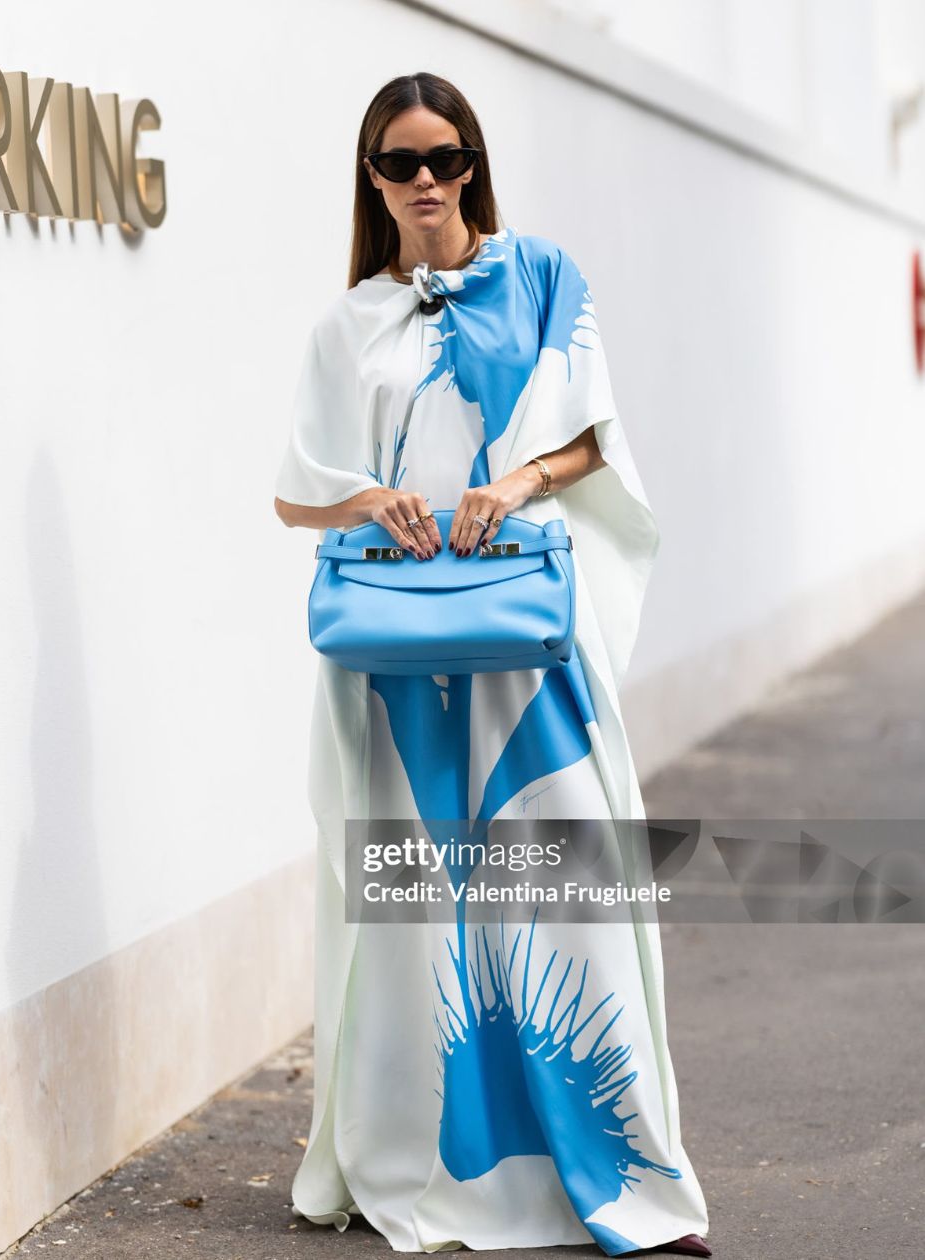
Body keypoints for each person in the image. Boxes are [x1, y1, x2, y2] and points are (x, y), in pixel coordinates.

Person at [273, 71, 712, 1259]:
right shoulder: (346, 321)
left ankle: (624, 1180)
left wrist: (512, 486)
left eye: (446, 158)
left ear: (473, 163)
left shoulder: (545, 278)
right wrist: (376, 500)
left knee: (569, 899)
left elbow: (591, 439)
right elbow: (296, 491)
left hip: (527, 651)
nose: (425, 181)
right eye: (400, 163)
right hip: (400, 666)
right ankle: (419, 1159)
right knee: (415, 914)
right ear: (370, 178)